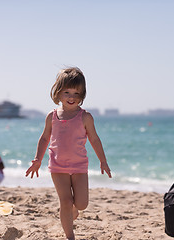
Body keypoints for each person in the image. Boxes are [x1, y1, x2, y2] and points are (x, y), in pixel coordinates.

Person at [25, 67, 112, 240]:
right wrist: (37, 160)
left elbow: (94, 139)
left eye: (76, 93)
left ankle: (74, 209)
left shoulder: (85, 117)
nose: (71, 97)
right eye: (67, 92)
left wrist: (103, 161)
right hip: (57, 166)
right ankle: (69, 236)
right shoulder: (52, 116)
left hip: (79, 166)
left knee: (82, 203)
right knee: (65, 201)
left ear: (82, 95)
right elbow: (44, 139)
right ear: (58, 92)